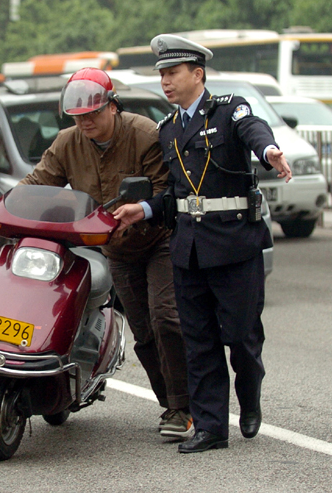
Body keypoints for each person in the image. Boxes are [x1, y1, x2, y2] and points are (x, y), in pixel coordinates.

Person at [113, 34, 292, 454]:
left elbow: (254, 130)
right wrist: (145, 210)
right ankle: (211, 427)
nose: (166, 82)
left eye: (173, 73)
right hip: (188, 249)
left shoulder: (230, 110)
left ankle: (249, 397)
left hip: (234, 246)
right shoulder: (169, 129)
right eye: (161, 75)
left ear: (198, 73)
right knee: (199, 341)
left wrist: (269, 151)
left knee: (243, 339)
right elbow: (174, 194)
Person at [19, 67, 192, 439]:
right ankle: (171, 405)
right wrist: (7, 203)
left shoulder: (145, 134)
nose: (86, 122)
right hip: (116, 249)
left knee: (166, 319)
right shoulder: (67, 142)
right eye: (78, 117)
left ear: (113, 106)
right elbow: (39, 182)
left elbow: (164, 189)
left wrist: (140, 212)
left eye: (93, 114)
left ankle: (183, 407)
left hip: (157, 240)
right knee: (144, 331)